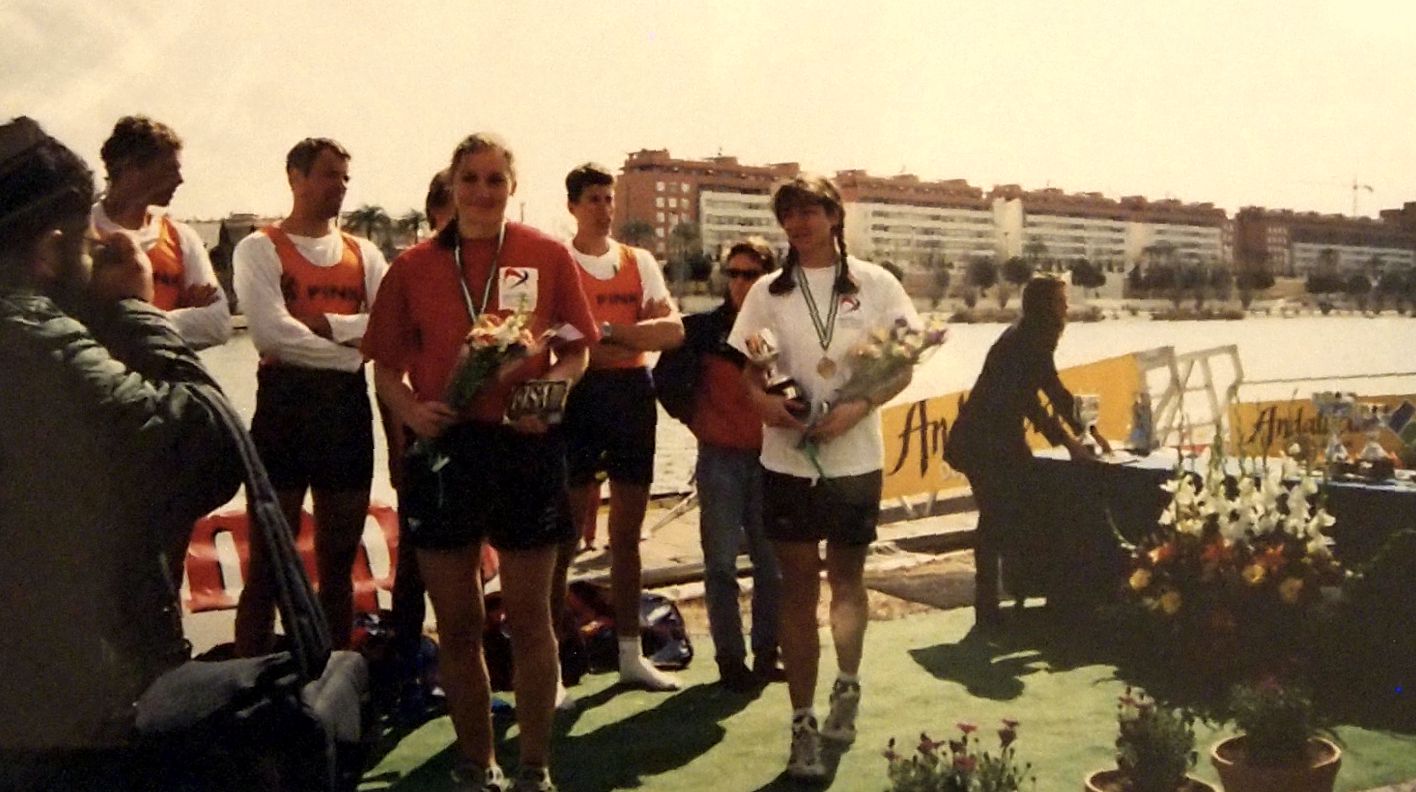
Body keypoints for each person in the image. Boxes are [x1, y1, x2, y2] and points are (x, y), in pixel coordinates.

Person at [0, 117, 264, 788]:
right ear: (51, 251)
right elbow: (206, 446)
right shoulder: (38, 341)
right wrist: (136, 311)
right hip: (60, 711)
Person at [363, 132, 598, 792]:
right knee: (459, 624)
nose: (482, 191)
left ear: (512, 188)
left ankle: (535, 768)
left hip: (525, 448)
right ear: (452, 183)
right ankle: (477, 763)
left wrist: (549, 395)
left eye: (495, 179)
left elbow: (579, 348)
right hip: (447, 453)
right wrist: (411, 412)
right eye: (470, 178)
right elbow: (384, 367)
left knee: (530, 621)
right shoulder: (413, 265)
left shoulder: (546, 255)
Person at [728, 175, 920, 780]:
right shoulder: (766, 290)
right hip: (786, 461)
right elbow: (749, 374)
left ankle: (848, 683)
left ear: (835, 215)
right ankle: (803, 722)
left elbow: (904, 365)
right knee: (796, 591)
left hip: (854, 460)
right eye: (788, 213)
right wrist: (764, 407)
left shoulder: (879, 284)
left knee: (847, 585)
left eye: (810, 210)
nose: (799, 223)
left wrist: (856, 410)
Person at [232, 137, 388, 655]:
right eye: (328, 175)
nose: (340, 187)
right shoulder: (258, 248)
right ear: (295, 177)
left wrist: (328, 324)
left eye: (345, 177)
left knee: (339, 563)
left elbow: (387, 329)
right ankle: (247, 678)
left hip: (345, 413)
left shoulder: (364, 254)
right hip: (284, 409)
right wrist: (350, 349)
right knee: (269, 564)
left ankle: (335, 675)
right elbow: (272, 335)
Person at [558, 162, 685, 691]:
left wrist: (612, 331)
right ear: (572, 206)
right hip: (578, 397)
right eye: (593, 199)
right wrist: (632, 334)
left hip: (631, 398)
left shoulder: (639, 262)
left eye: (609, 199)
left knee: (627, 537)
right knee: (562, 537)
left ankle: (632, 654)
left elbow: (672, 330)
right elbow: (559, 337)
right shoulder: (560, 260)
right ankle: (562, 662)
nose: (604, 208)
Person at [657, 237, 784, 692]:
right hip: (720, 461)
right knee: (721, 566)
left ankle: (768, 654)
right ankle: (731, 659)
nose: (739, 283)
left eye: (750, 274)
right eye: (733, 273)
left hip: (772, 461)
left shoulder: (783, 330)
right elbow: (665, 381)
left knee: (773, 567)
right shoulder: (703, 329)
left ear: (768, 276)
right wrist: (699, 422)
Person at [944, 275, 1106, 628]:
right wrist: (1071, 443)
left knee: (1007, 516)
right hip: (982, 442)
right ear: (1046, 306)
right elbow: (1031, 402)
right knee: (994, 520)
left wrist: (1090, 431)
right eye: (1061, 301)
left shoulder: (1031, 337)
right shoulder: (1024, 341)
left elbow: (1053, 392)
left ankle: (1011, 598)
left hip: (998, 440)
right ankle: (988, 609)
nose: (1067, 307)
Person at [91, 115, 232, 350]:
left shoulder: (181, 236)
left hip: (166, 383)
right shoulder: (83, 230)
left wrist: (129, 325)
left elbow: (218, 324)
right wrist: (179, 316)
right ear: (131, 168)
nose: (180, 179)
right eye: (169, 169)